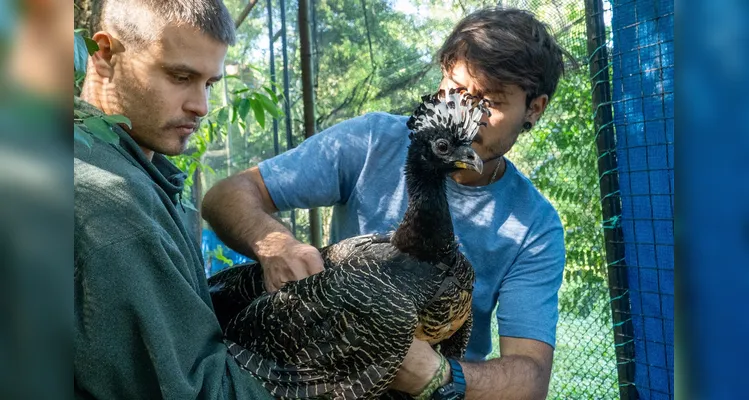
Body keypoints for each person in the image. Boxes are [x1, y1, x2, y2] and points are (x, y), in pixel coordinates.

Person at [203, 7, 567, 400]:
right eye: (457, 91)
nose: (467, 114)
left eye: (489, 103)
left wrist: (437, 375)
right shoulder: (373, 140)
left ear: (534, 108)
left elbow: (530, 380)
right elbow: (225, 196)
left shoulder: (534, 227)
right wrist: (275, 243)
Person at [73, 1, 273, 398]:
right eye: (180, 76)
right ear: (105, 55)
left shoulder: (118, 168)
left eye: (210, 84)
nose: (201, 106)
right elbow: (198, 390)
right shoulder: (111, 200)